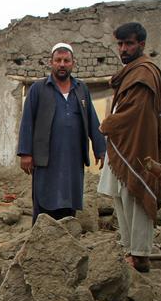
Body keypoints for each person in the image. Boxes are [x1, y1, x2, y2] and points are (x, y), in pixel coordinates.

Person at [97, 22, 161, 273]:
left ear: (141, 44)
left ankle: (140, 255)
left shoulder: (144, 72)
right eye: (120, 43)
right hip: (122, 144)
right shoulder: (132, 71)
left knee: (136, 195)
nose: (123, 48)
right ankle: (129, 249)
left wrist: (108, 124)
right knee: (121, 196)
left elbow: (135, 111)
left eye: (128, 43)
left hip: (137, 146)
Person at [17, 43, 106, 222]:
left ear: (73, 63)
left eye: (66, 60)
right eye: (58, 60)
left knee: (69, 198)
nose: (62, 64)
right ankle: (41, 238)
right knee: (44, 201)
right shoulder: (38, 89)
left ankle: (66, 237)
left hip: (73, 158)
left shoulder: (81, 89)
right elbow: (27, 121)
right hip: (45, 158)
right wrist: (25, 153)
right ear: (51, 62)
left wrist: (100, 149)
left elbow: (92, 120)